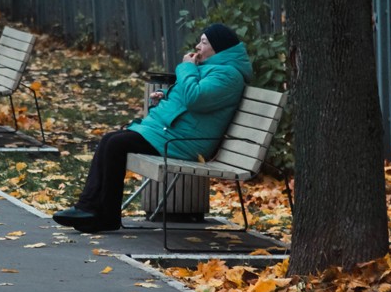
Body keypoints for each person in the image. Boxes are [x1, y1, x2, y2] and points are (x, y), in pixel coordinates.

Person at [53, 23, 253, 233]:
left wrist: (186, 68)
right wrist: (165, 96)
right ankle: (92, 209)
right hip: (171, 133)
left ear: (219, 47)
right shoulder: (214, 69)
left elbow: (196, 98)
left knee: (116, 144)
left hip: (184, 143)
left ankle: (101, 214)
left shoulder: (228, 75)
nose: (197, 46)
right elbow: (193, 98)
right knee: (109, 140)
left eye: (203, 42)